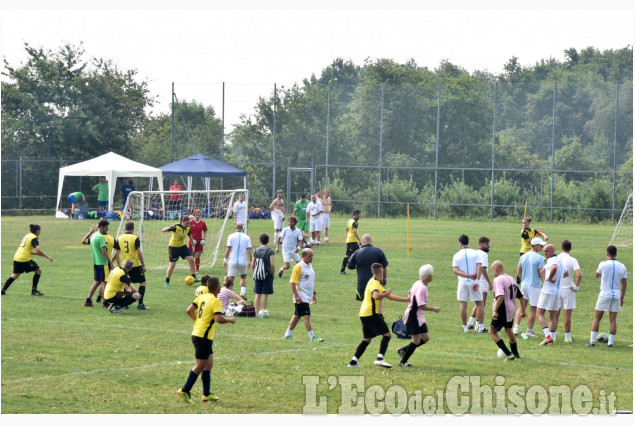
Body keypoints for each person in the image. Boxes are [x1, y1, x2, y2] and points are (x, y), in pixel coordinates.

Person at [177, 276, 236, 404]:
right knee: (200, 365)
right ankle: (185, 390)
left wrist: (198, 321)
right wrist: (229, 320)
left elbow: (189, 310)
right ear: (218, 287)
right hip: (203, 336)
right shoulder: (216, 301)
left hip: (199, 334)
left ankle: (206, 394)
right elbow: (219, 319)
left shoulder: (202, 297)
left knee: (209, 363)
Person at [348, 263, 409, 368]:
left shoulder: (374, 282)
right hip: (371, 313)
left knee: (367, 339)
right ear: (381, 272)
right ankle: (380, 359)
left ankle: (353, 362)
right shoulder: (375, 284)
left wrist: (406, 299)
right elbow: (376, 296)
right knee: (387, 335)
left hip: (364, 313)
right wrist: (385, 294)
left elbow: (390, 296)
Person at [396, 264, 440, 367]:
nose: (433, 275)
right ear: (428, 276)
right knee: (416, 340)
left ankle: (403, 350)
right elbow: (421, 306)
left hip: (419, 317)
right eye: (432, 274)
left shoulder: (418, 283)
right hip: (413, 316)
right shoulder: (422, 288)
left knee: (425, 338)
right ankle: (403, 361)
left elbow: (409, 295)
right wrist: (434, 309)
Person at [587, 245, 628, 348]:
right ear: (616, 254)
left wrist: (602, 273)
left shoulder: (603, 264)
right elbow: (624, 283)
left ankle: (592, 342)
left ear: (607, 254)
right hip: (616, 294)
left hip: (605, 293)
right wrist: (622, 297)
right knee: (613, 319)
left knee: (597, 317)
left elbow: (597, 275)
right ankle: (610, 343)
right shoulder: (622, 266)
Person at [283, 248, 323, 342]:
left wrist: (313, 293)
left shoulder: (309, 266)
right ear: (304, 256)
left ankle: (287, 334)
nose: (311, 258)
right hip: (301, 295)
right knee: (306, 315)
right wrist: (296, 295)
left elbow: (311, 281)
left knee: (297, 315)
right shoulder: (298, 267)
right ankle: (312, 337)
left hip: (307, 295)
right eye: (310, 256)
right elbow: (292, 282)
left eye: (312, 255)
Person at [2, 224, 53, 296]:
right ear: (37, 231)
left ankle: (3, 291)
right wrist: (47, 256)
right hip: (24, 259)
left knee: (15, 275)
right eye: (40, 230)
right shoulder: (34, 238)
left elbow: (26, 250)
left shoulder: (27, 236)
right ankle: (34, 291)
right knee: (38, 271)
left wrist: (37, 254)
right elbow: (38, 250)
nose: (40, 232)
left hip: (17, 257)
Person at [488, 260, 522, 361]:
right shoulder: (511, 278)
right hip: (511, 309)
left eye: (493, 271)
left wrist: (495, 310)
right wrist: (523, 310)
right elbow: (520, 296)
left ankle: (508, 354)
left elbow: (501, 296)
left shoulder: (498, 279)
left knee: (492, 332)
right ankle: (516, 353)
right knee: (508, 330)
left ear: (496, 270)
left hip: (502, 309)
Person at [536, 244, 568, 346]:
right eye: (544, 251)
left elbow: (554, 267)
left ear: (553, 251)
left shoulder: (552, 260)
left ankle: (547, 336)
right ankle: (552, 339)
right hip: (556, 292)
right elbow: (566, 273)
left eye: (547, 251)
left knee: (539, 313)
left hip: (548, 291)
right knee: (552, 315)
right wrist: (555, 277)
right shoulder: (561, 262)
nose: (545, 253)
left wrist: (549, 278)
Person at [113, 221, 150, 310]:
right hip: (135, 265)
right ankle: (140, 304)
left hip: (124, 265)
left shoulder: (120, 238)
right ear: (133, 228)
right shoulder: (135, 238)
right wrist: (143, 265)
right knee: (143, 282)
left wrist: (118, 265)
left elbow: (117, 253)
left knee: (125, 284)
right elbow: (138, 252)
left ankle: (125, 304)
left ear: (125, 228)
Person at [513, 238, 546, 337]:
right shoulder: (540, 258)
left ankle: (516, 328)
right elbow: (541, 273)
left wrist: (523, 280)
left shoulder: (523, 256)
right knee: (533, 309)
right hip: (534, 286)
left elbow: (518, 272)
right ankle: (529, 330)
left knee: (521, 306)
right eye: (540, 245)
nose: (542, 247)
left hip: (524, 285)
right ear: (535, 245)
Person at [452, 234, 482, 333]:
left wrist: (467, 275)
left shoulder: (456, 255)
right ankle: (481, 327)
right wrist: (476, 280)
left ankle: (465, 327)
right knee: (479, 303)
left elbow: (455, 271)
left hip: (462, 281)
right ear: (468, 242)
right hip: (474, 281)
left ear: (460, 243)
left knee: (463, 304)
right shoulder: (476, 253)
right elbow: (479, 268)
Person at [347, 234, 388, 301]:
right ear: (371, 241)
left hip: (362, 283)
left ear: (363, 241)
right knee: (377, 303)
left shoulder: (357, 252)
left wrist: (357, 266)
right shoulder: (378, 251)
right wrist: (384, 278)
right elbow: (384, 266)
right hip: (375, 282)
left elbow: (350, 266)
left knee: (364, 303)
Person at [556, 240, 582, 343]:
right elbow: (579, 275)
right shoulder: (572, 260)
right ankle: (567, 337)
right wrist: (576, 287)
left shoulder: (556, 258)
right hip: (568, 289)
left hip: (557, 288)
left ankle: (552, 335)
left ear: (561, 248)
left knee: (555, 313)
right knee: (567, 314)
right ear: (570, 249)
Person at [83, 220, 113, 307]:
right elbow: (104, 252)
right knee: (104, 283)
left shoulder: (93, 236)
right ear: (101, 227)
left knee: (97, 282)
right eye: (106, 227)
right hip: (103, 263)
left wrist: (90, 232)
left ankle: (88, 300)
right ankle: (105, 302)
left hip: (96, 263)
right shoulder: (100, 237)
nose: (107, 229)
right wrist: (110, 262)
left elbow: (83, 241)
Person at [162, 215, 198, 287]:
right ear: (182, 222)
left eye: (189, 223)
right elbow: (163, 230)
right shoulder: (176, 227)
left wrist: (193, 245)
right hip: (173, 247)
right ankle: (167, 281)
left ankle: (194, 277)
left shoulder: (188, 228)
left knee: (191, 259)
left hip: (183, 246)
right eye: (186, 223)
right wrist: (169, 227)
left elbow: (190, 236)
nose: (188, 225)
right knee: (172, 265)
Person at [223, 222, 253, 300]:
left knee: (230, 279)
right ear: (243, 228)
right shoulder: (247, 237)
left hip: (232, 261)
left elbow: (228, 249)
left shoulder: (231, 236)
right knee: (243, 277)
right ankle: (242, 292)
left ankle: (229, 298)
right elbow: (249, 249)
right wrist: (251, 260)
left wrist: (225, 260)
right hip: (243, 261)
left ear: (235, 228)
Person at [467, 236, 492, 333]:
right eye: (486, 244)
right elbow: (483, 269)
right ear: (480, 244)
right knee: (482, 304)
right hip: (481, 282)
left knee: (478, 304)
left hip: (474, 281)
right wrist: (489, 282)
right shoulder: (484, 255)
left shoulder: (474, 253)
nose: (488, 246)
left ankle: (470, 322)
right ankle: (479, 326)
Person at [251, 234, 276, 314]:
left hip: (258, 274)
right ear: (268, 241)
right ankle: (263, 311)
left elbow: (252, 264)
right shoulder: (270, 251)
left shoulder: (255, 251)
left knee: (257, 293)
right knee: (265, 293)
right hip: (267, 274)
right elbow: (272, 264)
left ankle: (256, 312)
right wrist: (273, 273)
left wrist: (255, 272)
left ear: (260, 241)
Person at [518, 217, 548, 282]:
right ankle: (519, 280)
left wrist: (544, 236)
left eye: (525, 223)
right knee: (525, 269)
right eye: (523, 223)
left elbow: (539, 233)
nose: (524, 225)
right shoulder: (524, 232)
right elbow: (531, 242)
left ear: (529, 223)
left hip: (532, 251)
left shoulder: (532, 230)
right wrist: (535, 238)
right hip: (525, 251)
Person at [340, 210, 361, 274]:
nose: (360, 216)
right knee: (358, 254)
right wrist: (359, 240)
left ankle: (342, 270)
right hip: (353, 240)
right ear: (355, 215)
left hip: (350, 240)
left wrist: (346, 241)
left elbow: (346, 231)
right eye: (359, 215)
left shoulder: (349, 221)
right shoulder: (354, 222)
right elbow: (354, 231)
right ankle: (351, 265)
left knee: (348, 255)